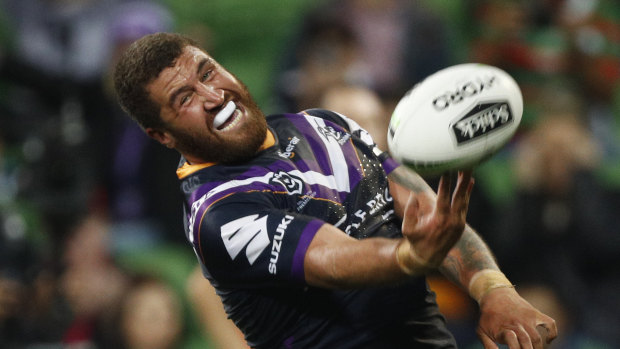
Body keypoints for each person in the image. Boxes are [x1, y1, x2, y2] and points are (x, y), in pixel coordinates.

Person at [113, 32, 557, 348]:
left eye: (208, 72)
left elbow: (426, 214)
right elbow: (333, 259)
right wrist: (409, 256)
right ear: (162, 135)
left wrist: (494, 290)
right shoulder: (220, 214)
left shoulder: (326, 125)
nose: (213, 95)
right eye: (184, 98)